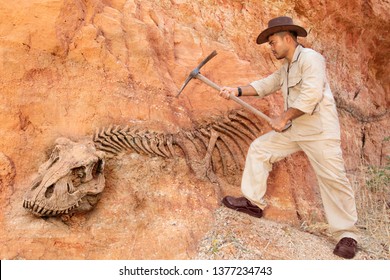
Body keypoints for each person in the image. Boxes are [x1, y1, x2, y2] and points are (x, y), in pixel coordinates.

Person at [219, 16, 359, 259]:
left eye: (272, 42)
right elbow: (266, 84)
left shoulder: (311, 59)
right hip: (297, 130)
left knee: (333, 180)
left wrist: (284, 117)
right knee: (260, 149)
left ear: (287, 38)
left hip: (320, 131)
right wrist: (237, 90)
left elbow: (311, 95)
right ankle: (253, 202)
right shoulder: (286, 67)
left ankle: (347, 235)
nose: (271, 47)